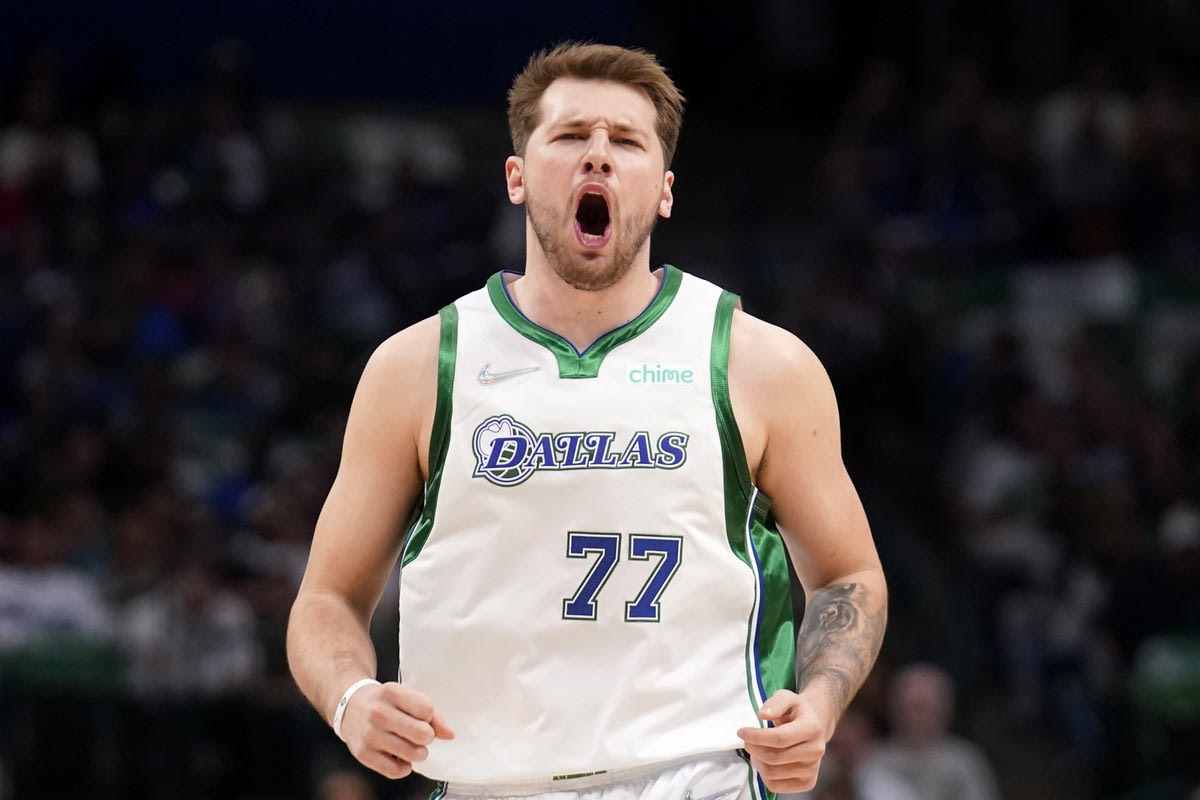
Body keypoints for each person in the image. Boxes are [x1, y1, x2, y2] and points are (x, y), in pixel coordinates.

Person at [287, 42, 887, 800]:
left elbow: (847, 576)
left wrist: (821, 704)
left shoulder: (760, 364)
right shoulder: (418, 367)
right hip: (490, 784)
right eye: (571, 135)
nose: (597, 156)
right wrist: (351, 700)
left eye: (626, 141)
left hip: (700, 776)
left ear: (664, 191)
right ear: (517, 176)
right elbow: (326, 600)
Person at [862, 663, 1000, 800]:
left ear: (945, 709)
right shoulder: (873, 760)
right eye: (910, 707)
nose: (915, 717)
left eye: (923, 707)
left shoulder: (966, 763)